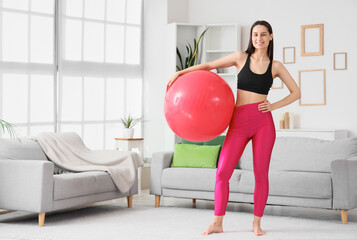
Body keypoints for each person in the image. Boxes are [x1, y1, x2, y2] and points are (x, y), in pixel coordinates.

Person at [166, 20, 301, 236]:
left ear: (271, 37)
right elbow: (209, 66)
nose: (259, 38)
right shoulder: (241, 57)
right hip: (238, 122)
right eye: (255, 34)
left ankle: (257, 223)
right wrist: (181, 73)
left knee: (261, 175)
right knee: (222, 172)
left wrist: (273, 105)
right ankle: (217, 222)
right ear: (251, 37)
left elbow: (296, 92)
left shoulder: (275, 66)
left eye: (263, 34)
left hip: (262, 123)